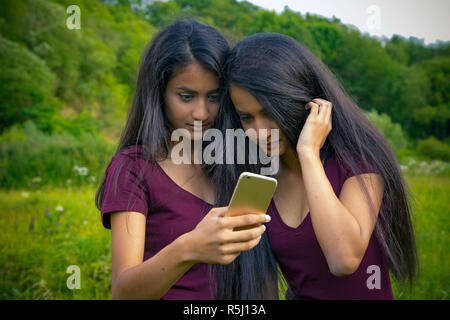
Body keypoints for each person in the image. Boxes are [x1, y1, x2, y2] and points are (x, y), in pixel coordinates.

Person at [212, 32, 418, 299]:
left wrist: (308, 153)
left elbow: (343, 258)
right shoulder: (257, 179)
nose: (260, 131)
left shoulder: (358, 161)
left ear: (302, 100)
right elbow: (258, 281)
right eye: (246, 117)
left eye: (269, 112)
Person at [94, 20, 270, 300]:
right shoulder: (134, 168)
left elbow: (259, 273)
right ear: (158, 93)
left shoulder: (239, 160)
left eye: (213, 97)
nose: (201, 113)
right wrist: (189, 248)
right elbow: (122, 292)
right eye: (186, 96)